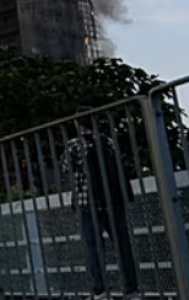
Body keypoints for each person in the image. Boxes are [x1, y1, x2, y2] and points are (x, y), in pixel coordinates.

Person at [62, 111, 140, 300]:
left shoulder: (74, 145)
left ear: (78, 124)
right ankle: (131, 289)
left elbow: (66, 168)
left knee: (94, 247)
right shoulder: (108, 142)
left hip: (88, 201)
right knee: (123, 245)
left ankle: (101, 290)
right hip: (113, 200)